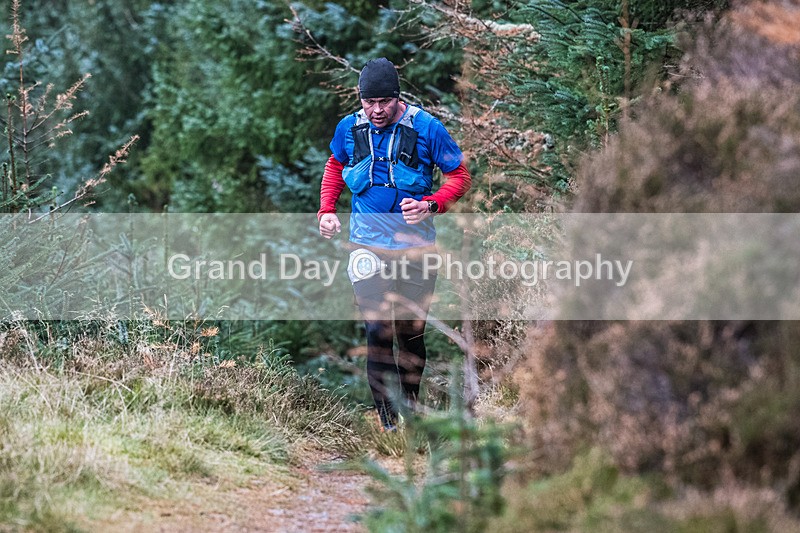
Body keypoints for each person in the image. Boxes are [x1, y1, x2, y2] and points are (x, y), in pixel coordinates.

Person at [318, 58, 471, 431]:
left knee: (410, 335)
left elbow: (459, 175)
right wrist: (326, 210)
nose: (376, 110)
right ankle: (388, 424)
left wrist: (430, 205)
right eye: (369, 102)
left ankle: (411, 413)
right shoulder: (349, 128)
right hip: (366, 246)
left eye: (384, 101)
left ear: (397, 97)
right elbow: (335, 166)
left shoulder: (427, 128)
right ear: (360, 99)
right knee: (377, 332)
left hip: (416, 249)